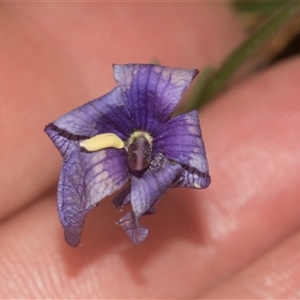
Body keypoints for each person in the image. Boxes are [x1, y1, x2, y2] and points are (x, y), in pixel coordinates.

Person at [1, 2, 300, 298]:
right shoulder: (149, 109)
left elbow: (190, 170)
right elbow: (68, 135)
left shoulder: (163, 117)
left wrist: (137, 206)